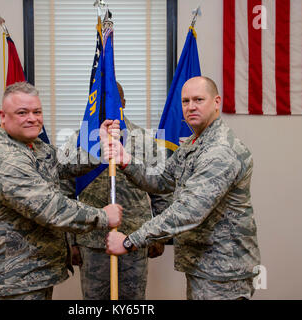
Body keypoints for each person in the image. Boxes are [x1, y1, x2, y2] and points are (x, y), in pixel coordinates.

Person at [104, 76, 261, 300]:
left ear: (217, 102)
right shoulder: (195, 143)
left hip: (224, 273)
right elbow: (163, 180)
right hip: (204, 266)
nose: (191, 107)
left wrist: (130, 241)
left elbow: (188, 211)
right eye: (186, 101)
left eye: (198, 99)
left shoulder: (220, 151)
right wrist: (126, 160)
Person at [0, 82, 123, 300]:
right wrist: (103, 216)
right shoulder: (6, 161)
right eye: (22, 112)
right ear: (3, 117)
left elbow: (64, 163)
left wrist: (101, 147)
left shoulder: (33, 146)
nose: (32, 118)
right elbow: (51, 209)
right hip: (9, 282)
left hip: (29, 274)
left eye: (37, 111)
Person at [61, 82, 167, 300]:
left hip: (134, 238)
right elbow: (64, 192)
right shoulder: (79, 141)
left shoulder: (145, 140)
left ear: (124, 103)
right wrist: (70, 241)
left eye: (115, 101)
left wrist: (159, 236)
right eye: (102, 101)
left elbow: (162, 191)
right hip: (91, 241)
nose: (108, 106)